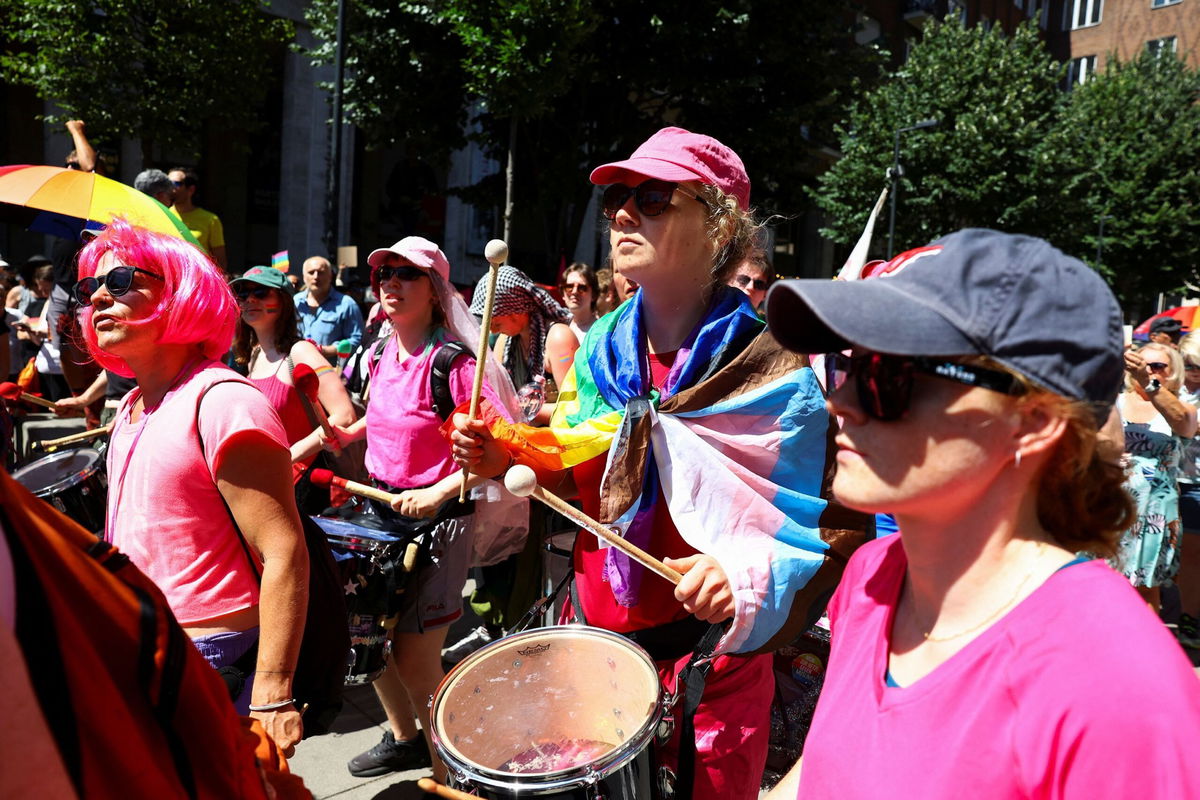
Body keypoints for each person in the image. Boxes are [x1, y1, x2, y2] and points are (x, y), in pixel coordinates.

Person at [450, 127, 864, 799]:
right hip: (597, 650)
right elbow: (576, 474)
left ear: (719, 221)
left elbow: (823, 527)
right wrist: (504, 456)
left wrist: (742, 575)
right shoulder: (601, 351)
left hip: (711, 667)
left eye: (652, 197)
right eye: (619, 196)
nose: (621, 213)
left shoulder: (774, 373)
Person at [761, 228, 1200, 799]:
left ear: (1034, 423)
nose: (837, 400)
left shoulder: (1116, 681)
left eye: (889, 377)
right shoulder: (871, 577)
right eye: (849, 366)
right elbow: (821, 773)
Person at [75, 218, 308, 754]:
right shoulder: (132, 405)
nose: (98, 301)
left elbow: (284, 551)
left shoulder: (225, 400)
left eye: (119, 282)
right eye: (91, 292)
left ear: (178, 292)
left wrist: (272, 693)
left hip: (213, 657)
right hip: (141, 645)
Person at [329, 236, 515, 782]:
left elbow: (502, 453)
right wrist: (347, 432)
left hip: (437, 523)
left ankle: (452, 773)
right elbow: (392, 411)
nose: (390, 282)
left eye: (405, 274)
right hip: (382, 513)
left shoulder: (456, 364)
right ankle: (407, 739)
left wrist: (437, 492)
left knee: (414, 658)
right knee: (366, 641)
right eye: (384, 272)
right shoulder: (382, 348)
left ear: (434, 291)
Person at [230, 265, 356, 513]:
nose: (250, 299)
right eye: (243, 294)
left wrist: (290, 456)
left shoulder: (300, 352)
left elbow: (344, 415)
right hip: (266, 483)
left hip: (303, 486)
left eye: (262, 293)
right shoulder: (254, 355)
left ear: (284, 302)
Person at [1113, 341, 1197, 613]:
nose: (1149, 371)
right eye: (1143, 365)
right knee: (1101, 579)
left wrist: (1149, 384)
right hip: (1109, 504)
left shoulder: (1186, 409)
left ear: (1173, 373)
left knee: (1145, 587)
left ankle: (1143, 649)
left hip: (1153, 511)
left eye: (1158, 366)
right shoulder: (1116, 401)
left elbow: (1183, 423)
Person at [468, 265, 577, 425]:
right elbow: (499, 395)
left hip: (553, 443)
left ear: (516, 310)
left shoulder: (558, 338)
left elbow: (573, 409)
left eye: (494, 320)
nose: (490, 328)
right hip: (519, 441)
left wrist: (521, 408)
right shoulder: (503, 341)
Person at [294, 256, 365, 362]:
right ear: (304, 277)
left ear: (330, 276)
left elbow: (357, 340)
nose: (316, 276)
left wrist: (328, 350)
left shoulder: (347, 304)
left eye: (321, 272)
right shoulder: (295, 301)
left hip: (330, 371)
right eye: (311, 272)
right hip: (295, 368)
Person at [168, 166, 228, 271]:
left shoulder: (211, 220)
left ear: (191, 189)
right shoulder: (164, 214)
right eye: (167, 183)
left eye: (176, 184)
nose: (170, 188)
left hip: (198, 281)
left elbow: (221, 262)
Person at [561, 261, 600, 342]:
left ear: (594, 295)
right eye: (569, 287)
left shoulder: (601, 330)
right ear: (563, 294)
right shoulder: (557, 327)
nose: (574, 292)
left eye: (582, 288)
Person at [727, 249, 771, 314]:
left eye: (759, 284)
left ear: (766, 294)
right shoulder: (709, 316)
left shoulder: (770, 324)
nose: (750, 287)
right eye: (743, 280)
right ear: (729, 281)